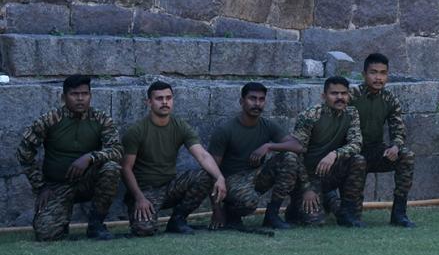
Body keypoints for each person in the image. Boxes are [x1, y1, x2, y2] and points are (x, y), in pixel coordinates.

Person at [16, 75, 121, 242]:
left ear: (90, 96)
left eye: (84, 94)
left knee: (111, 168)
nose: (80, 99)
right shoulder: (49, 120)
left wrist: (90, 157)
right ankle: (60, 220)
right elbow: (24, 151)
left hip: (88, 182)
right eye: (74, 94)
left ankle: (96, 224)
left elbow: (116, 150)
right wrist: (40, 186)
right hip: (57, 185)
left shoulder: (101, 120)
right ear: (63, 97)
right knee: (46, 234)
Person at [120, 80, 227, 236]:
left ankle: (178, 220)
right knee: (144, 229)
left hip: (170, 186)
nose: (165, 102)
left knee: (206, 175)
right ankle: (143, 214)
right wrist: (139, 197)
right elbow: (126, 168)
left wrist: (220, 177)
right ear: (149, 102)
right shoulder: (136, 131)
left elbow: (202, 155)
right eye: (159, 98)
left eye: (168, 98)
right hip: (145, 190)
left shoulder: (180, 126)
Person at [207, 82, 303, 231]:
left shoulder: (267, 125)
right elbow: (211, 171)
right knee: (249, 202)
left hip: (257, 175)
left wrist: (269, 146)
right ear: (241, 101)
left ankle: (272, 215)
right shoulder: (225, 130)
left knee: (289, 157)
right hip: (233, 180)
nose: (257, 104)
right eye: (252, 98)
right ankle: (230, 213)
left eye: (261, 99)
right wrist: (216, 210)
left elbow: (297, 146)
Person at [277, 76, 367, 229]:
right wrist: (307, 188)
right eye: (334, 93)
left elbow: (356, 143)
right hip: (308, 176)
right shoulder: (310, 115)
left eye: (344, 93)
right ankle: (296, 207)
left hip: (330, 173)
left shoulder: (351, 114)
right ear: (324, 96)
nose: (340, 97)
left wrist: (334, 154)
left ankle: (347, 211)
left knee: (358, 160)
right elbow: (297, 154)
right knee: (315, 222)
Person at [349, 53, 417, 228]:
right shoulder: (351, 95)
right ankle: (352, 215)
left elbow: (398, 129)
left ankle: (399, 214)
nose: (378, 77)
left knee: (406, 156)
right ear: (364, 74)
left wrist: (396, 146)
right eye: (373, 72)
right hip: (350, 152)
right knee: (358, 160)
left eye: (383, 73)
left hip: (376, 150)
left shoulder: (389, 99)